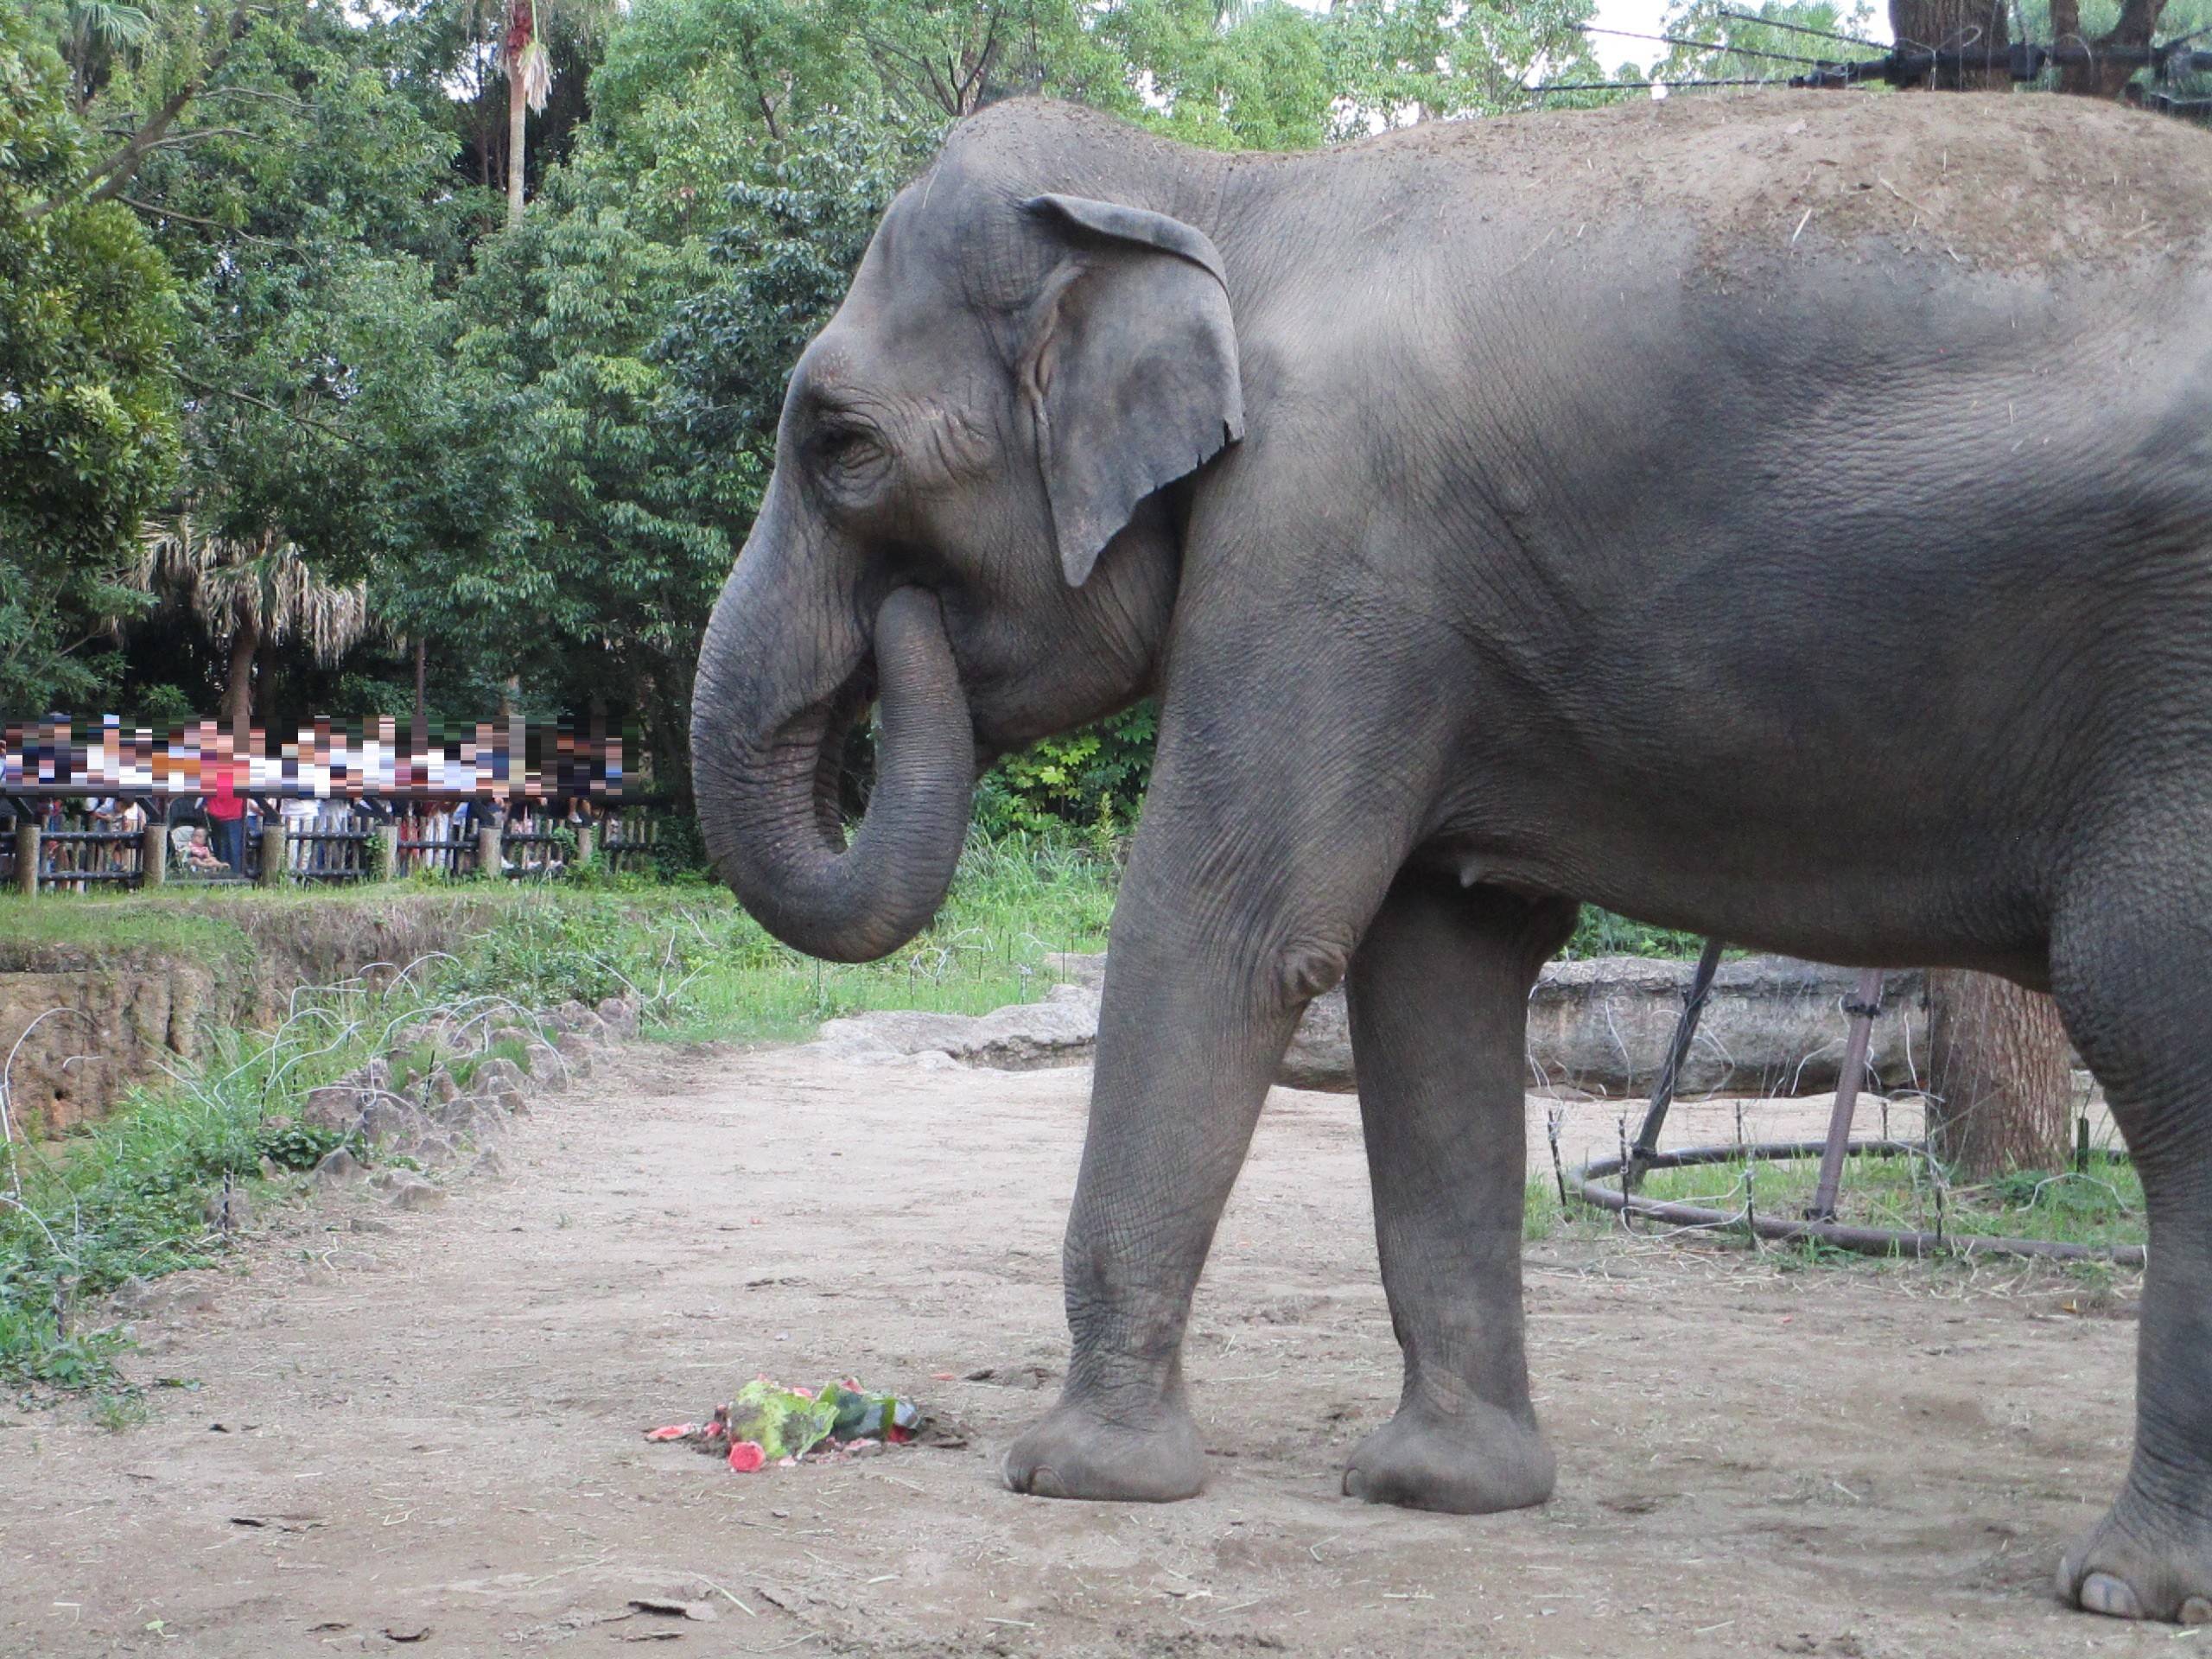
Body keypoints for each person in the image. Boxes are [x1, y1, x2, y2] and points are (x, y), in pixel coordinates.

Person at [204, 737, 246, 874]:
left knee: (225, 847)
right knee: (228, 848)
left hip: (226, 811)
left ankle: (228, 875)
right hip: (226, 812)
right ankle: (229, 876)